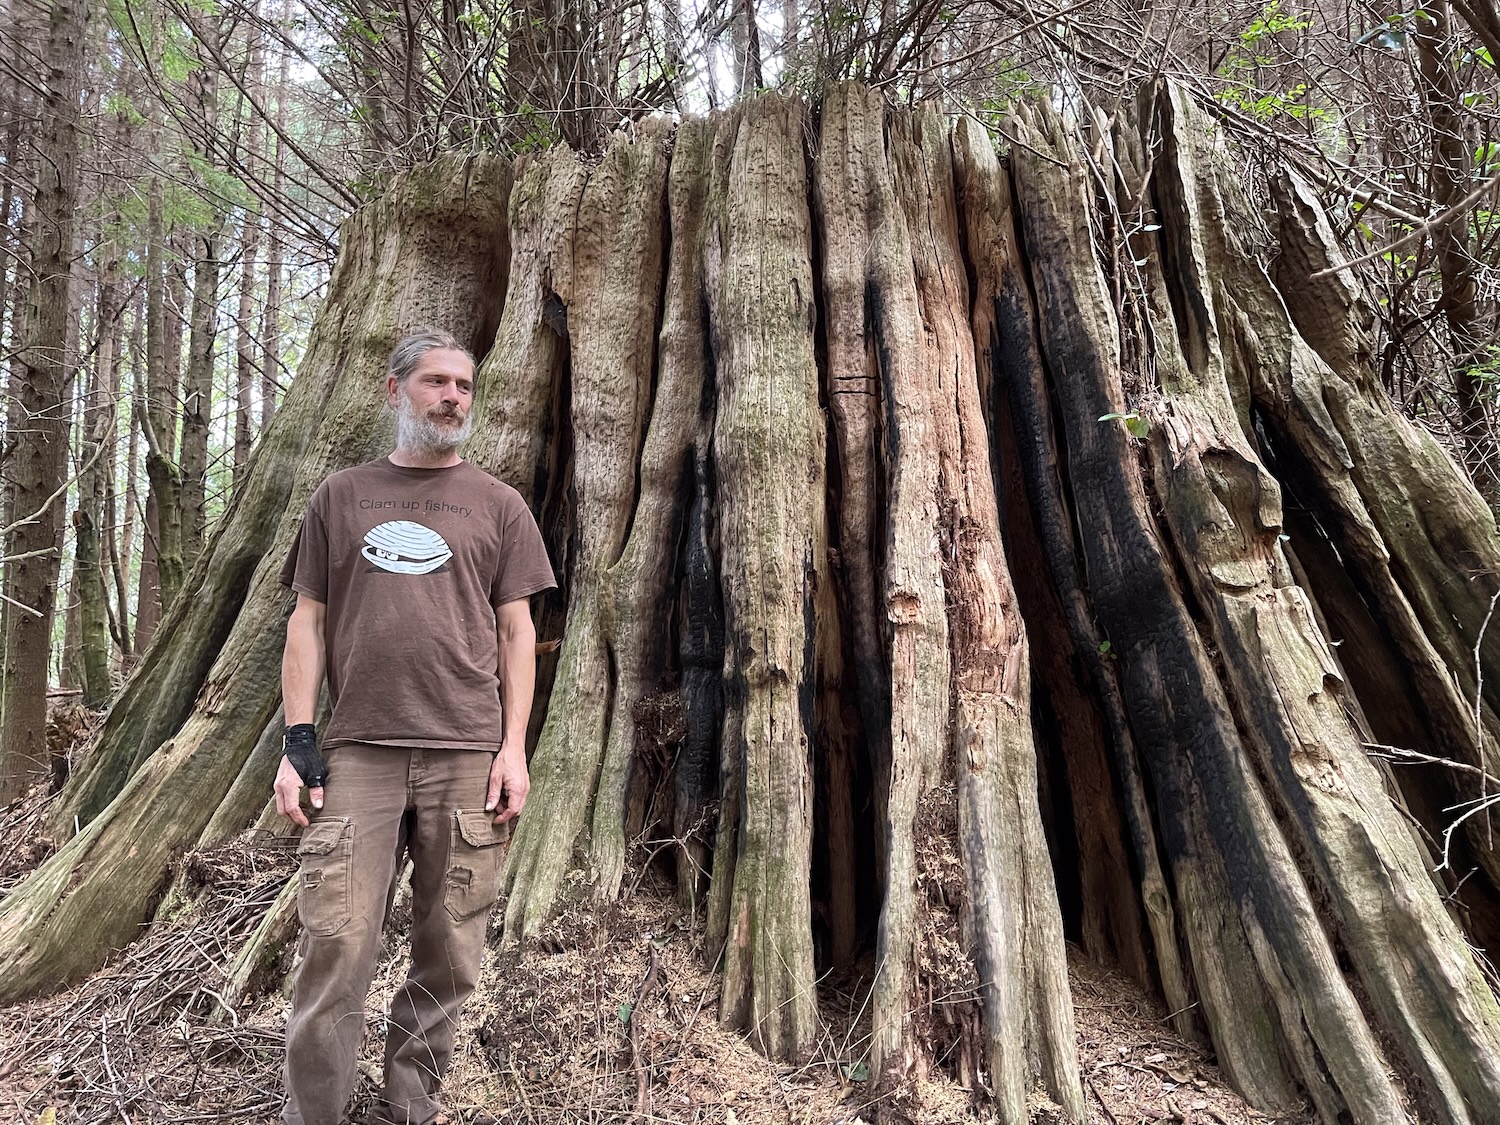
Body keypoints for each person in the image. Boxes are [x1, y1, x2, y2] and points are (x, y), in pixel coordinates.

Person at [275, 327, 556, 1125]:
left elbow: (517, 632)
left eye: (463, 385)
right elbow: (306, 622)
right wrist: (299, 739)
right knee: (336, 943)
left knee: (450, 949)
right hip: (358, 750)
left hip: (466, 753)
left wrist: (513, 748)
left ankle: (411, 1107)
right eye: (436, 382)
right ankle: (314, 1115)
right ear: (395, 389)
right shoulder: (341, 496)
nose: (452, 398)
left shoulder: (498, 504)